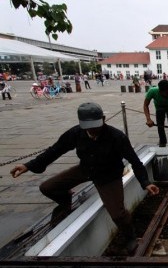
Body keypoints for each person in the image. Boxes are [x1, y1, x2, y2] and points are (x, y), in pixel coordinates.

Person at [10, 102, 159, 253]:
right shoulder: (75, 133)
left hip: (108, 175)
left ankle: (130, 237)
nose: (93, 130)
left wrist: (145, 183)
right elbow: (55, 151)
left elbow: (135, 161)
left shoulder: (117, 136)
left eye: (96, 126)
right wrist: (28, 165)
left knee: (117, 213)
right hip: (86, 168)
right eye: (88, 127)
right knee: (47, 188)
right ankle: (65, 202)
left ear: (103, 119)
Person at [144, 80, 168, 147]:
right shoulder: (152, 91)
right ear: (160, 91)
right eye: (166, 93)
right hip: (159, 107)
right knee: (160, 126)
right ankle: (162, 142)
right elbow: (145, 105)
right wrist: (148, 119)